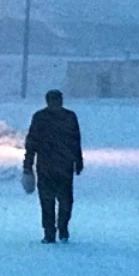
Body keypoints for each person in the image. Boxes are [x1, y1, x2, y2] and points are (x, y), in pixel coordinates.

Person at [23, 90, 83, 243]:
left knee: (48, 200)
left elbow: (32, 143)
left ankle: (51, 232)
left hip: (47, 165)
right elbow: (75, 140)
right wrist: (78, 160)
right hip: (62, 164)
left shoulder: (40, 117)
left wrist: (28, 165)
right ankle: (60, 229)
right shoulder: (69, 117)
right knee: (64, 200)